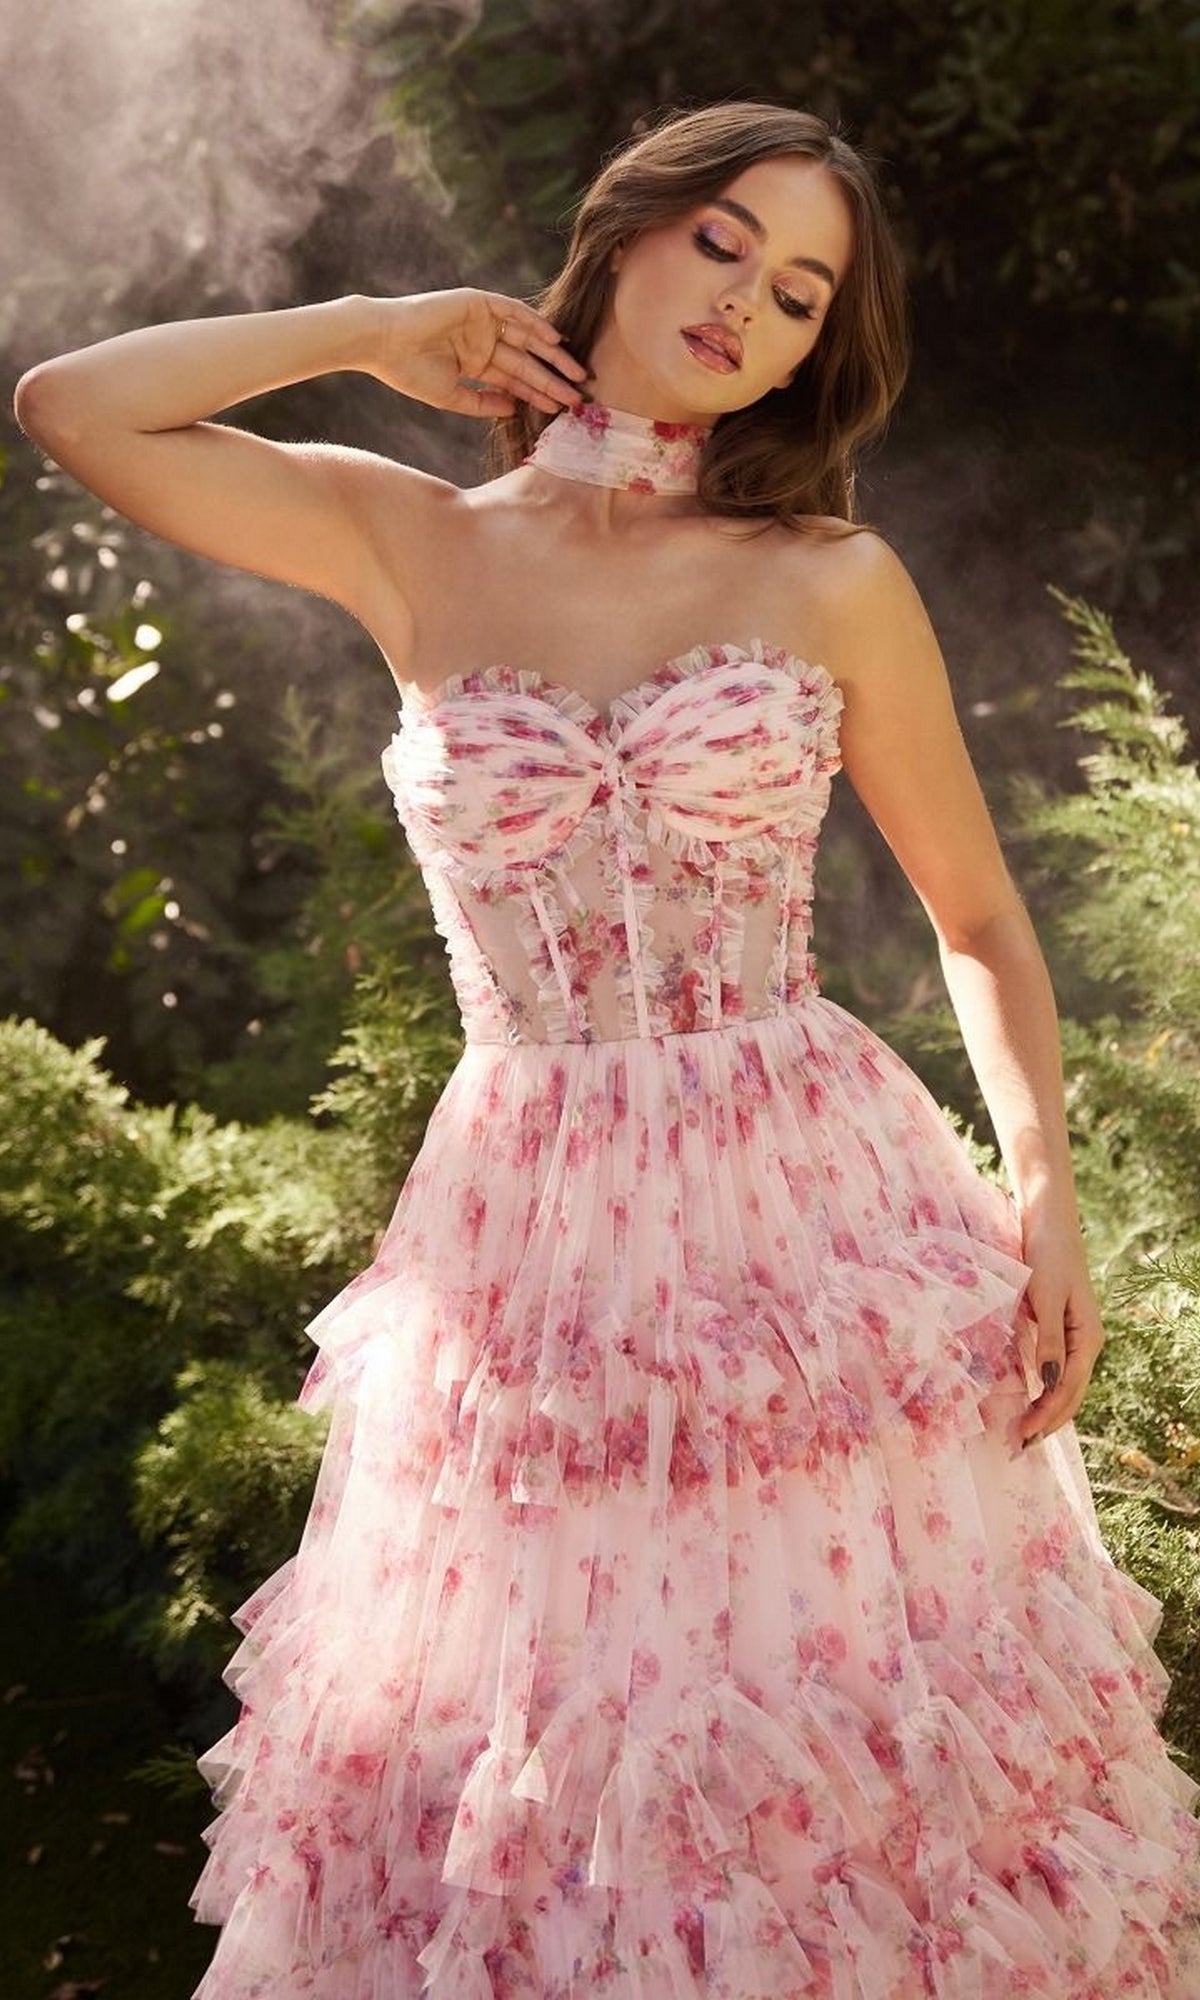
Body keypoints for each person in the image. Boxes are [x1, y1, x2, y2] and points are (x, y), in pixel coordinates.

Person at [15, 98, 1200, 2000]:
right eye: (725, 241)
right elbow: (76, 403)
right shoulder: (405, 537)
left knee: (843, 1789)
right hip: (533, 1237)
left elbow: (978, 918)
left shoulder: (826, 576)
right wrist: (378, 325)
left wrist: (1048, 1200)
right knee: (556, 1776)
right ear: (626, 233)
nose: (751, 303)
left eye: (802, 294)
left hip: (813, 1219)